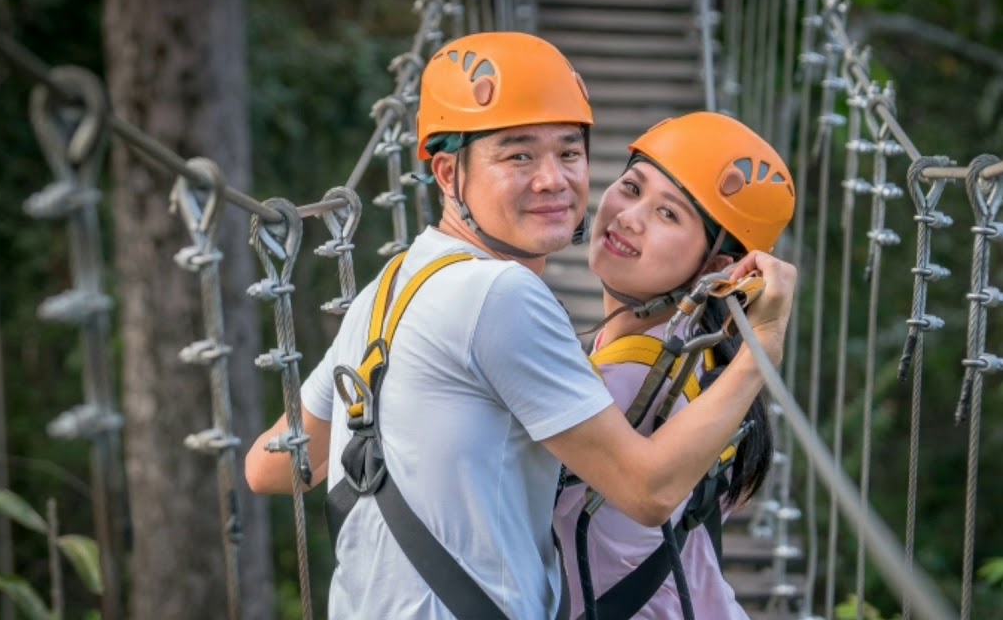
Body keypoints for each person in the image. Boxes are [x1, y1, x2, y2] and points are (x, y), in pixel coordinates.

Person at [244, 31, 797, 619]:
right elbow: (648, 490)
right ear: (448, 174)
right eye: (519, 156)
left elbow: (271, 464)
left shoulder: (390, 286)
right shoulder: (504, 295)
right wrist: (760, 351)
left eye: (569, 153)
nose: (553, 179)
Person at [553, 112, 794, 620]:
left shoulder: (630, 380)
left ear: (718, 270)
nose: (628, 217)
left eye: (668, 214)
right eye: (631, 187)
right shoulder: (699, 356)